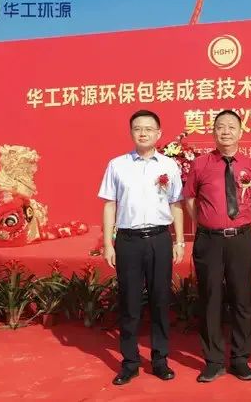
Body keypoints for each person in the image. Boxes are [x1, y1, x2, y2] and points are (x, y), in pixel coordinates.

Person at [98, 109, 185, 386]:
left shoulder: (169, 165)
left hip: (159, 239)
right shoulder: (117, 165)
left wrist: (179, 240)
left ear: (159, 134)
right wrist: (108, 243)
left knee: (160, 300)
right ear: (131, 133)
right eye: (138, 128)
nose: (143, 133)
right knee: (130, 302)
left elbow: (176, 203)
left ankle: (160, 360)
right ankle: (130, 362)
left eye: (149, 128)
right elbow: (109, 204)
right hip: (128, 241)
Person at [183, 109, 251, 383]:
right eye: (220, 127)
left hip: (240, 239)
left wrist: (242, 222)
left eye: (231, 127)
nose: (225, 131)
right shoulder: (200, 164)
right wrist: (207, 222)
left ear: (241, 132)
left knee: (242, 298)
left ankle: (240, 359)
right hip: (210, 241)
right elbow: (190, 199)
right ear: (213, 132)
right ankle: (214, 361)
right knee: (210, 298)